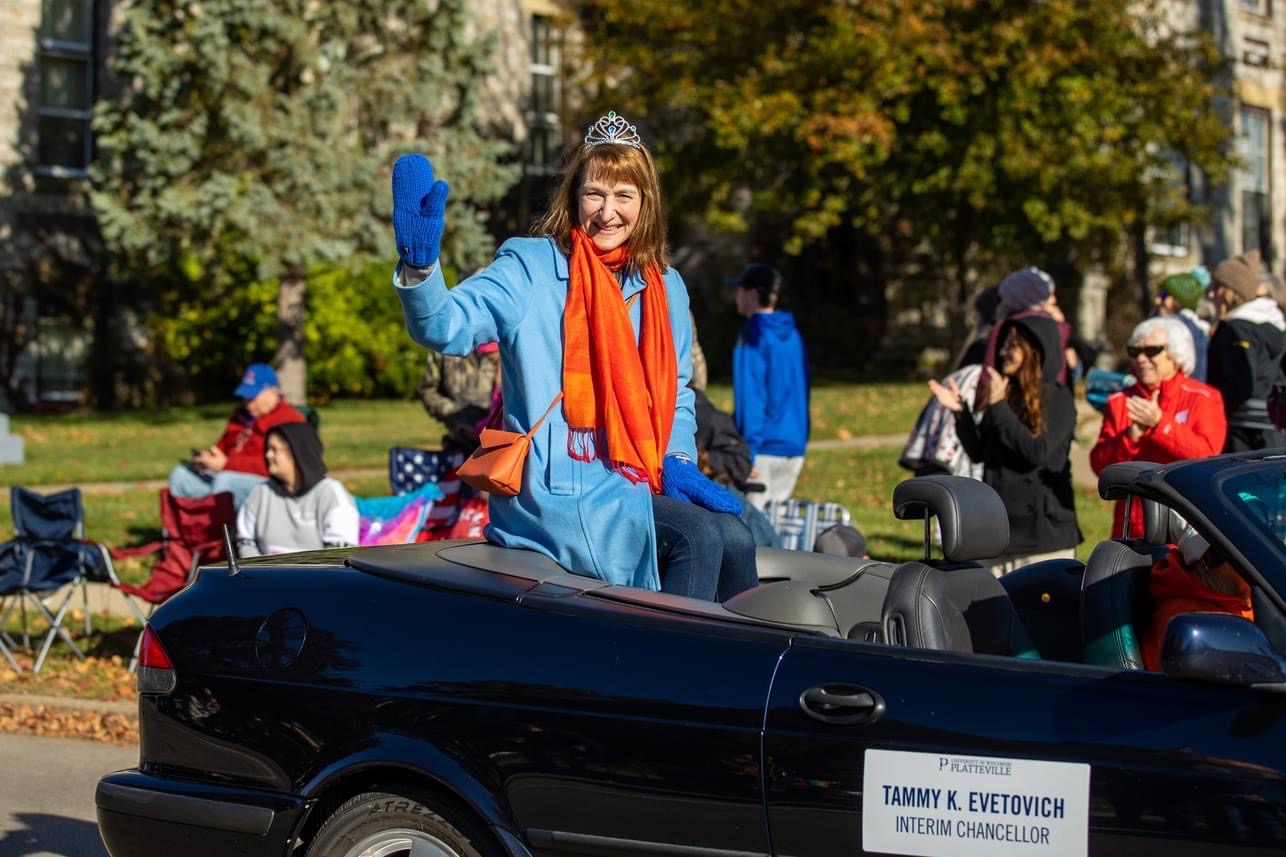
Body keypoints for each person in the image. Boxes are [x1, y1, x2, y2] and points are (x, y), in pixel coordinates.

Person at [388, 111, 757, 602]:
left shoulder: (664, 285)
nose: (608, 212)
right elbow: (444, 327)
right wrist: (421, 268)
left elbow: (678, 395)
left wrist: (680, 461)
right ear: (574, 196)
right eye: (595, 194)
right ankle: (671, 673)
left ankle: (743, 671)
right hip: (557, 490)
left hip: (637, 474)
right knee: (698, 535)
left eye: (624, 195)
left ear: (646, 204)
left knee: (737, 536)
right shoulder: (530, 267)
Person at [929, 315, 1080, 574]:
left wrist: (998, 406)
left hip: (1042, 538)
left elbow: (1038, 452)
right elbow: (979, 452)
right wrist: (961, 413)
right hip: (999, 530)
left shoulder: (1058, 398)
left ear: (1034, 349)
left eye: (1012, 345)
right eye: (1004, 344)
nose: (1002, 352)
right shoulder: (1004, 394)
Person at [1090, 317, 1225, 537]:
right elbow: (1100, 466)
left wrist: (1160, 425)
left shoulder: (1204, 398)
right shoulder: (1119, 402)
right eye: (1135, 351)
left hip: (1186, 527)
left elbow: (1206, 457)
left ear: (1176, 354)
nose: (1141, 359)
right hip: (1131, 528)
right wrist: (1130, 437)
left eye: (1152, 350)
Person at [729, 263, 810, 511]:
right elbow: (803, 388)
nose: (736, 296)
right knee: (777, 532)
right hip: (794, 444)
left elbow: (751, 397)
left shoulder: (752, 334)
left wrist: (747, 451)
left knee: (756, 534)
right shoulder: (793, 333)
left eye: (739, 289)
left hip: (762, 447)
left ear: (752, 293)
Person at [168, 363, 306, 508]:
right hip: (226, 476)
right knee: (180, 475)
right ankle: (184, 529)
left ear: (272, 392)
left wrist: (227, 465)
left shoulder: (290, 420)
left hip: (269, 484)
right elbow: (222, 447)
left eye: (253, 397)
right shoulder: (241, 417)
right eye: (245, 397)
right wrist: (208, 459)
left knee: (225, 482)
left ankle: (224, 529)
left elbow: (286, 467)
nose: (248, 403)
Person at [235, 422, 359, 557]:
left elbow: (339, 554)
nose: (268, 455)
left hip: (317, 576)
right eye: (268, 449)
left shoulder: (331, 494)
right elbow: (245, 542)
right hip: (265, 575)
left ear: (298, 453)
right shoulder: (261, 493)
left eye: (275, 449)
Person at [1141, 526, 1253, 671]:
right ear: (1208, 559)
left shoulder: (1237, 601)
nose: (1257, 560)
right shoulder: (1187, 620)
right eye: (1246, 552)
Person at [1207, 251, 1286, 451]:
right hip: (1272, 431)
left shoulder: (1237, 328)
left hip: (1242, 435)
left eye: (1217, 288)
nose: (1211, 295)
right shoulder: (1272, 323)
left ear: (1232, 292)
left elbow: (1242, 385)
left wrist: (1208, 405)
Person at [418, 342, 501, 454]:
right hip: (459, 438)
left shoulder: (496, 343)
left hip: (492, 439)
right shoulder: (443, 346)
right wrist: (455, 414)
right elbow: (428, 390)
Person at [1154, 269, 1210, 382]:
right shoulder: (1197, 329)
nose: (1157, 301)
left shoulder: (1177, 329)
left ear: (1178, 299)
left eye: (1163, 295)